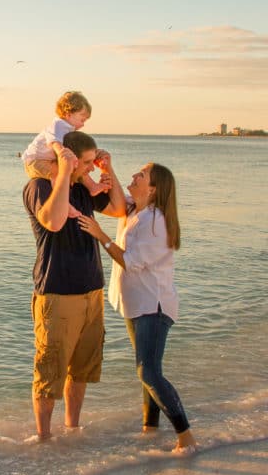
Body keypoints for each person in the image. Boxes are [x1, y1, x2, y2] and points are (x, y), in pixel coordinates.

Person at [77, 163, 198, 454]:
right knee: (147, 370)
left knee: (148, 372)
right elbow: (114, 204)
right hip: (136, 303)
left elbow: (130, 261)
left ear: (153, 189)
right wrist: (104, 169)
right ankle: (150, 428)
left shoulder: (156, 222)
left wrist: (100, 235)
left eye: (140, 176)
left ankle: (186, 435)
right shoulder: (135, 209)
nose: (134, 177)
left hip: (153, 307)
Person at [23, 131, 126, 440]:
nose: (90, 168)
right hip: (57, 291)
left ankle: (73, 431)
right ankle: (43, 440)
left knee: (80, 370)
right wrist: (67, 173)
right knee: (49, 371)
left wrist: (109, 171)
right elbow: (53, 222)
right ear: (66, 159)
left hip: (91, 291)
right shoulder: (39, 187)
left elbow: (119, 208)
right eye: (86, 163)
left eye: (92, 162)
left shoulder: (83, 188)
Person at [21, 92, 109, 219]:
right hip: (35, 161)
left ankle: (92, 187)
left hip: (47, 159)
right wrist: (62, 152)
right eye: (82, 119)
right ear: (69, 114)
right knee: (58, 174)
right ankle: (65, 205)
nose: (83, 124)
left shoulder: (68, 129)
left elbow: (77, 149)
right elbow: (53, 142)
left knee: (77, 165)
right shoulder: (58, 125)